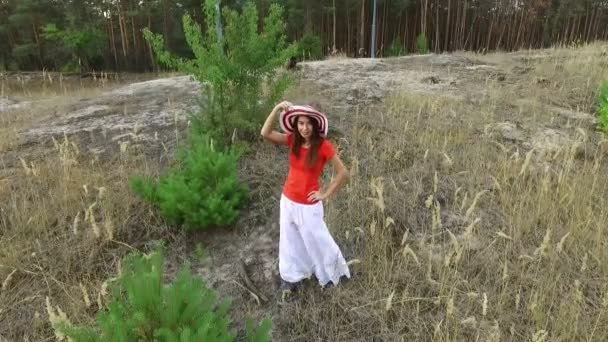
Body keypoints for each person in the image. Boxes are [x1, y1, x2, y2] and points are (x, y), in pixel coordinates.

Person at [260, 101, 351, 297]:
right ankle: (293, 277)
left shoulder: (324, 146)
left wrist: (325, 193)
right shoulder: (294, 140)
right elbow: (265, 133)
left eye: (309, 124)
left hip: (309, 206)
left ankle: (336, 274)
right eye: (301, 123)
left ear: (316, 124)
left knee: (320, 240)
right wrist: (276, 108)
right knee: (290, 242)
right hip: (288, 201)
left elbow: (343, 173)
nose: (304, 128)